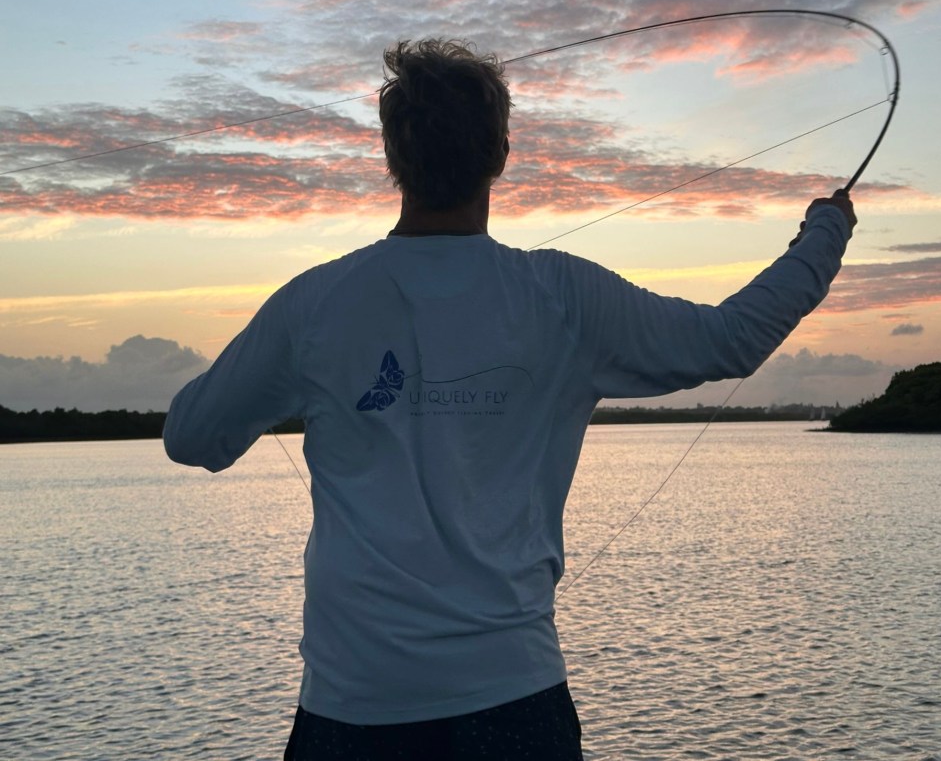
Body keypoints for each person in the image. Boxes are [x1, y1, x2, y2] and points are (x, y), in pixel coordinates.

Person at [163, 39, 856, 761]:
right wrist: (824, 232)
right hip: (516, 711)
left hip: (351, 716)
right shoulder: (562, 297)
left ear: (392, 156)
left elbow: (190, 435)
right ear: (499, 153)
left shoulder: (312, 304)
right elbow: (731, 338)